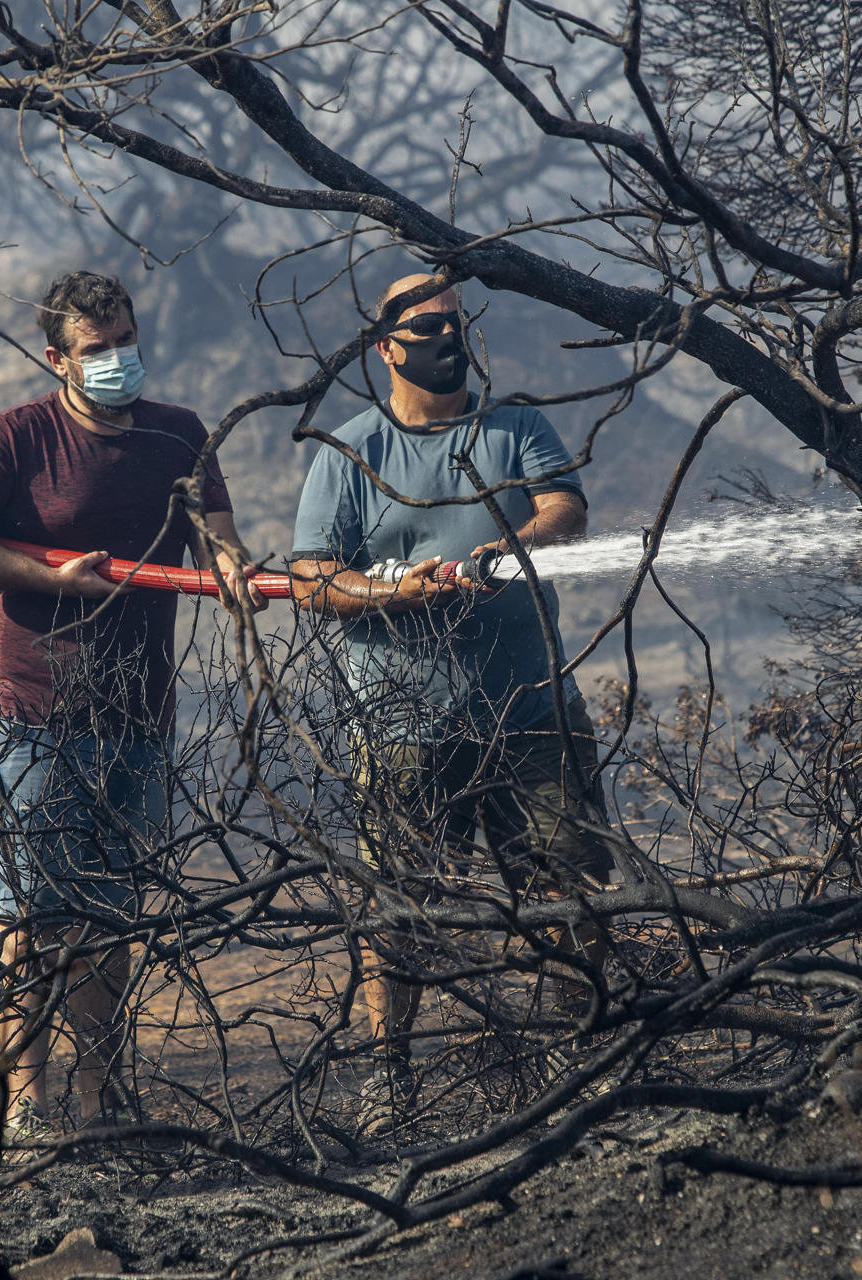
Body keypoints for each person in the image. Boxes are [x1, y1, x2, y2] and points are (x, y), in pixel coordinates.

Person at [0, 270, 264, 1137]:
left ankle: (103, 1097)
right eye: (96, 349)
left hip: (139, 708)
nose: (116, 360)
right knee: (32, 910)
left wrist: (232, 575)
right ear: (57, 358)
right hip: (32, 703)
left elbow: (218, 540)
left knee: (115, 906)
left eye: (124, 342)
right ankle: (28, 1106)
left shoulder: (179, 435)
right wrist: (45, 579)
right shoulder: (19, 436)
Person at [289, 273, 619, 1136]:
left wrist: (502, 546)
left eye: (457, 322)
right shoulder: (350, 452)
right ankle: (388, 1075)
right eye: (428, 325)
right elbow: (312, 579)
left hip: (530, 705)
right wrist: (396, 595)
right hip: (401, 723)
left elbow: (565, 508)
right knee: (396, 903)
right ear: (386, 346)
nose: (448, 336)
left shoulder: (514, 426)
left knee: (569, 879)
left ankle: (571, 1055)